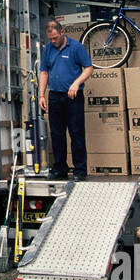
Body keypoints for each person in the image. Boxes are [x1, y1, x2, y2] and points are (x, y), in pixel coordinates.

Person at [38, 18, 93, 179]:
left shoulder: (76, 47)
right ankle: (60, 169)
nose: (53, 41)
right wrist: (42, 94)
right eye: (50, 39)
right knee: (57, 134)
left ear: (62, 32)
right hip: (55, 96)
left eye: (55, 37)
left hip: (73, 96)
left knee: (76, 133)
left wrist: (76, 83)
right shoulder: (48, 49)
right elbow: (44, 72)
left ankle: (80, 171)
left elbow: (89, 69)